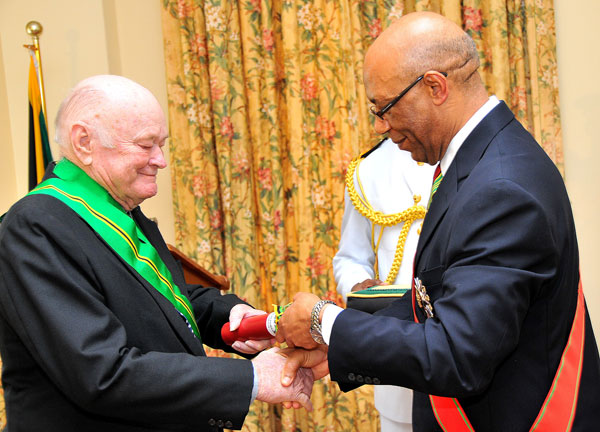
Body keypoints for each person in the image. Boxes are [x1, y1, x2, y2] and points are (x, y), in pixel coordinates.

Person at [277, 11, 600, 431]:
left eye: (386, 107)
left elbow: (458, 354)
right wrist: (336, 340)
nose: (382, 126)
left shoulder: (501, 187)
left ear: (435, 86)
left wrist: (326, 320)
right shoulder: (482, 160)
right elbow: (435, 299)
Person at [0, 75, 314, 432]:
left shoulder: (119, 208)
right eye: (146, 145)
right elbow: (100, 371)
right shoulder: (34, 226)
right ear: (84, 141)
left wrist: (231, 317)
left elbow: (160, 298)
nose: (160, 161)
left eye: (161, 145)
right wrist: (252, 378)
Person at [332, 137, 433, 432]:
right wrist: (358, 286)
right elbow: (349, 257)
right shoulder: (368, 168)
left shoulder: (466, 153)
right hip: (397, 367)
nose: (382, 121)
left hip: (463, 356)